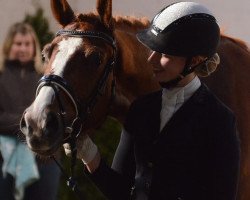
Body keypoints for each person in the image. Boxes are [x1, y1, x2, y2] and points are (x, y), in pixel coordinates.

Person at [64, 2, 240, 200]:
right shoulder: (141, 109)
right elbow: (120, 190)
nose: (151, 60)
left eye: (164, 53)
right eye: (152, 50)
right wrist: (88, 152)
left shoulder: (220, 121)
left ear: (195, 60)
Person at [0, 22, 61, 200]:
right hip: (5, 157)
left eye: (27, 44)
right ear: (9, 46)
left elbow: (53, 115)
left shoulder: (46, 78)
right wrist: (29, 121)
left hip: (46, 158)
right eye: (18, 43)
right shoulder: (1, 76)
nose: (23, 48)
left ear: (34, 47)